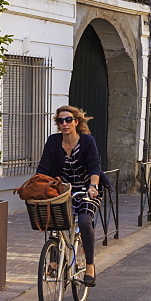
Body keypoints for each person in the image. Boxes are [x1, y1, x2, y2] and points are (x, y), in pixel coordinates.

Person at [36, 105, 106, 287]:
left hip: (85, 190)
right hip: (63, 192)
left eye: (68, 120)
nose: (64, 124)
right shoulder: (53, 141)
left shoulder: (87, 141)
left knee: (83, 221)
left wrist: (93, 185)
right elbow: (44, 167)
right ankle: (53, 260)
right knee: (53, 222)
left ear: (76, 122)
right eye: (61, 120)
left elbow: (94, 166)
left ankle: (90, 264)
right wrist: (38, 185)